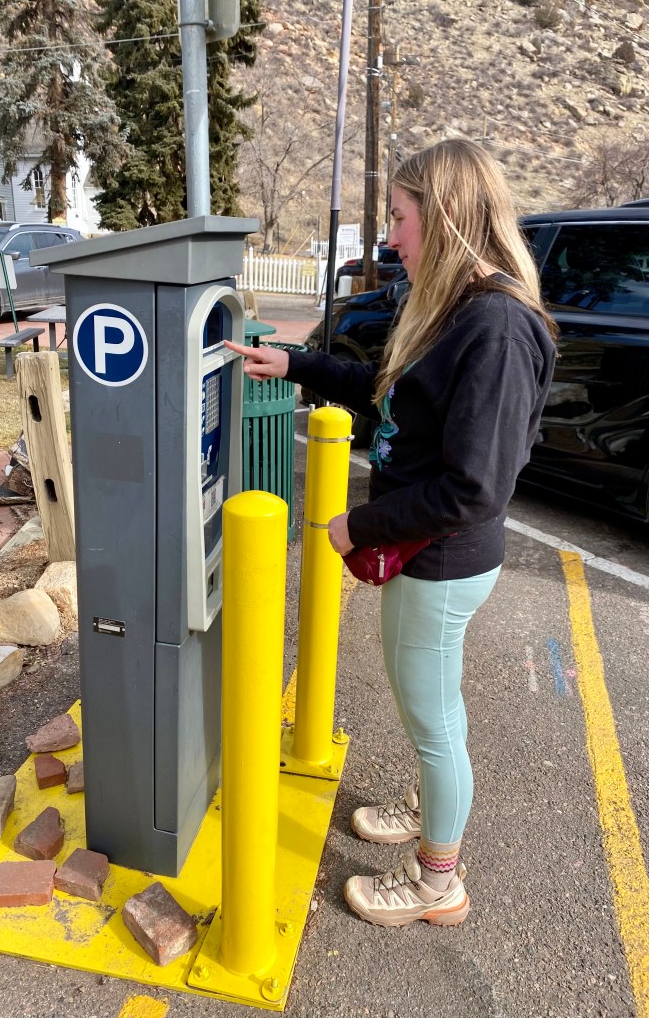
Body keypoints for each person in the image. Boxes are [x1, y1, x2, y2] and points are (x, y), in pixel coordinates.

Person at [225, 138, 557, 929]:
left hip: (438, 559)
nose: (393, 239)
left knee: (434, 721)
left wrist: (355, 527)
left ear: (444, 217)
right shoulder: (458, 308)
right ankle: (426, 805)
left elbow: (475, 485)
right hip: (430, 557)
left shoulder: (496, 327)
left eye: (402, 218)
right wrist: (299, 365)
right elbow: (392, 398)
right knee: (432, 710)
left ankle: (438, 881)